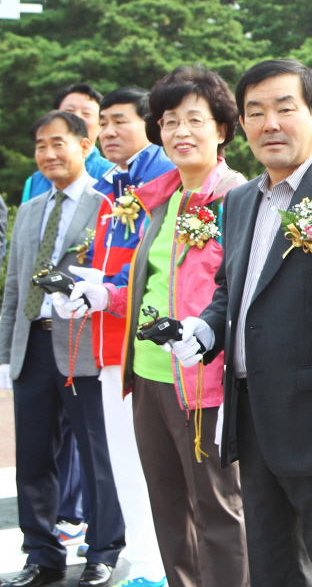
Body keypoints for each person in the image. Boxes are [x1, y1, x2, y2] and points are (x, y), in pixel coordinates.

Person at [172, 59, 312, 587]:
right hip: (253, 418)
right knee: (272, 567)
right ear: (240, 126)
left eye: (285, 109)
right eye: (255, 113)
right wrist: (207, 329)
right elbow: (231, 290)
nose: (270, 125)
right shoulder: (240, 200)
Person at [57, 66, 249, 587]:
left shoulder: (239, 198)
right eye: (169, 122)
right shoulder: (159, 200)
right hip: (145, 374)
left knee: (217, 506)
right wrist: (105, 294)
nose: (181, 132)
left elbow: (241, 293)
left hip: (203, 381)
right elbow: (154, 283)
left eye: (194, 120)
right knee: (166, 506)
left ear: (222, 129)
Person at [0, 111, 124, 587]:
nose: (48, 154)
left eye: (57, 144)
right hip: (30, 345)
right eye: (39, 146)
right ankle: (41, 554)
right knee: (32, 456)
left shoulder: (109, 206)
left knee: (96, 454)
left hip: (83, 346)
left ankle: (103, 552)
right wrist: (7, 352)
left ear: (84, 144)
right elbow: (13, 285)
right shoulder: (29, 209)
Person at [83, 87, 174, 587]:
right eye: (103, 123)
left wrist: (108, 290)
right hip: (109, 342)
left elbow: (153, 264)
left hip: (147, 346)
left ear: (149, 124)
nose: (108, 132)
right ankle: (144, 561)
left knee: (154, 465)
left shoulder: (160, 178)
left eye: (119, 121)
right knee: (125, 460)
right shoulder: (111, 184)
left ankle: (158, 565)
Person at [22, 83, 111, 203]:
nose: (77, 118)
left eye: (86, 114)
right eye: (69, 112)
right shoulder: (34, 181)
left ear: (101, 124)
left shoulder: (113, 177)